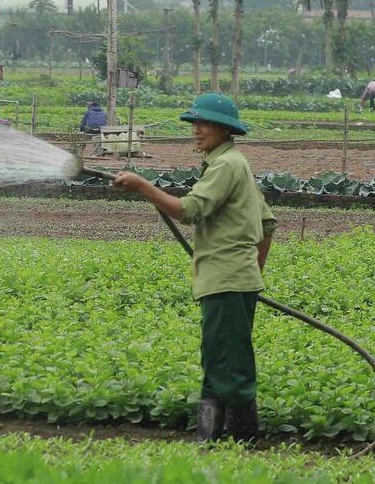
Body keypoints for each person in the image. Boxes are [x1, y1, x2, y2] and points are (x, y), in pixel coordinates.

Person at [111, 93, 277, 443]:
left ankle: (242, 443)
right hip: (232, 279)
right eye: (194, 123)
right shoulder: (235, 163)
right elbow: (268, 223)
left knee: (230, 365)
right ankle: (210, 443)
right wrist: (253, 272)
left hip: (225, 280)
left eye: (204, 123)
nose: (196, 130)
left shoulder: (226, 165)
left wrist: (143, 186)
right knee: (219, 360)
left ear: (224, 129)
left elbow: (189, 210)